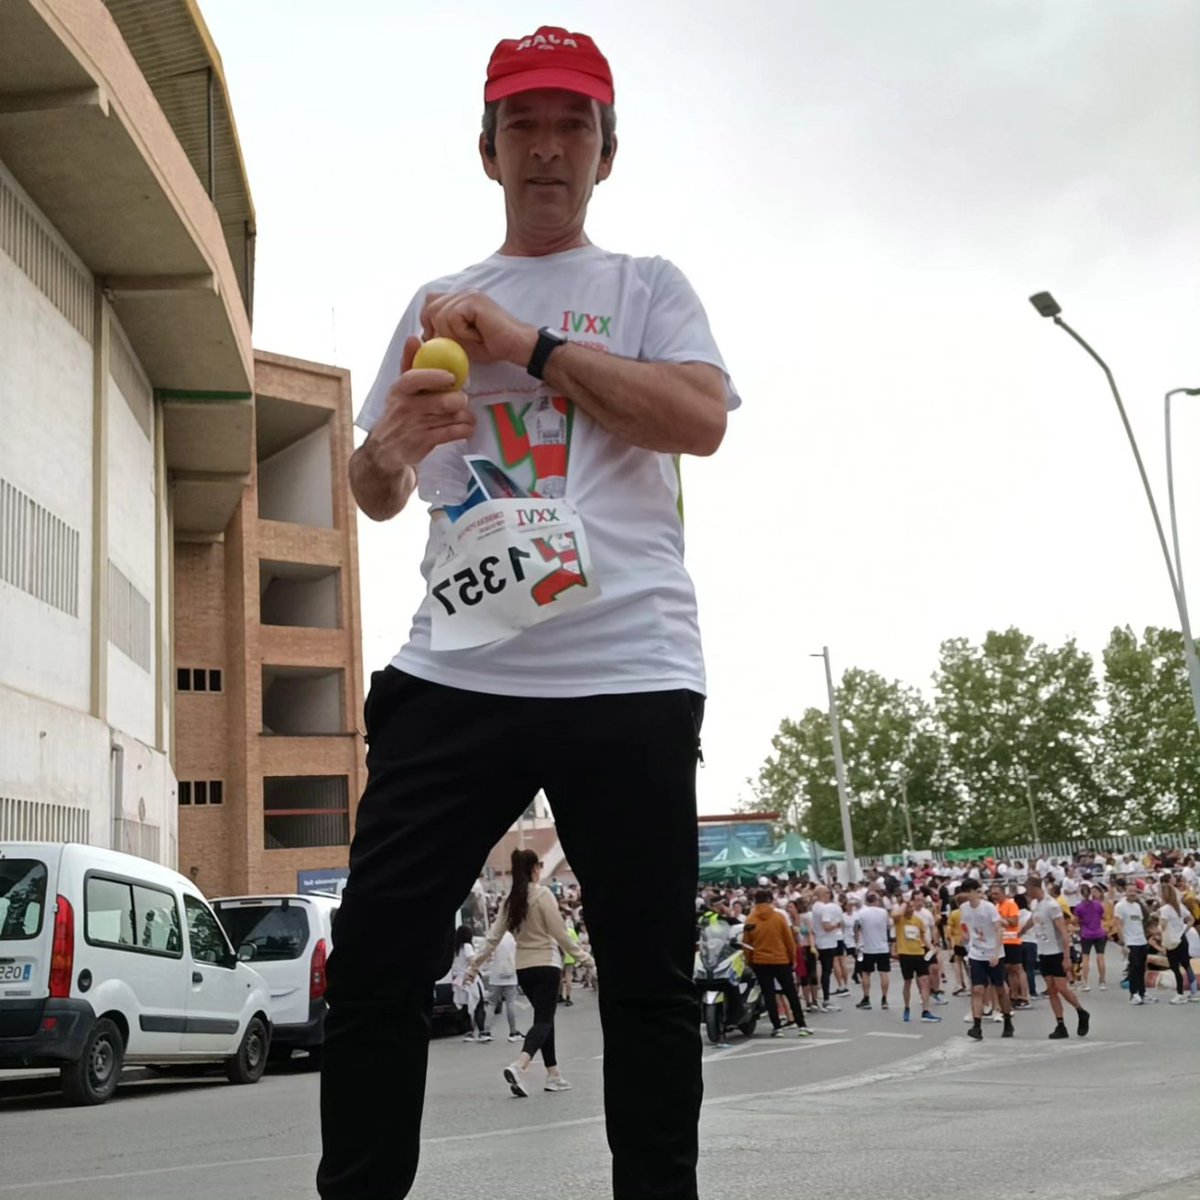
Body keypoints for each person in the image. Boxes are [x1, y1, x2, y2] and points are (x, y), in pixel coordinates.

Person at [317, 25, 735, 1200]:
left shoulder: (646, 288)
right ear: (488, 150)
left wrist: (533, 348)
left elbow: (699, 420)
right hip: (458, 668)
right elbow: (378, 491)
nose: (548, 147)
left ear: (607, 152)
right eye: (523, 125)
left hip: (626, 666)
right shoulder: (437, 304)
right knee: (376, 966)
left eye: (573, 125)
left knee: (651, 983)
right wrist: (389, 455)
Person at [468, 850, 594, 1096]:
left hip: (523, 969)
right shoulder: (543, 894)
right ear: (535, 868)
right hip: (547, 963)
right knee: (544, 1020)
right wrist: (587, 960)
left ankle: (553, 1074)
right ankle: (520, 1065)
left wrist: (474, 967)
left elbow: (492, 938)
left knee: (543, 1020)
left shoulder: (510, 900)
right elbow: (560, 934)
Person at [1025, 876, 1090, 1039]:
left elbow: (1063, 932)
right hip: (1043, 951)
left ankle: (1081, 1011)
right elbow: (1033, 920)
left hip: (1056, 951)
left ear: (1034, 888)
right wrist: (1019, 932)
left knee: (1062, 987)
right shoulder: (1035, 905)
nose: (1027, 892)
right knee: (1051, 990)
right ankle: (1060, 1024)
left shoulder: (1051, 905)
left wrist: (1066, 957)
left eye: (1028, 889)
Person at [741, 890, 812, 1038]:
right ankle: (802, 1025)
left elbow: (746, 944)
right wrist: (793, 959)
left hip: (760, 961)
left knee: (769, 995)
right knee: (791, 993)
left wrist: (750, 961)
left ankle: (777, 1027)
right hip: (781, 960)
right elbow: (789, 940)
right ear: (770, 900)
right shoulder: (779, 917)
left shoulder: (750, 920)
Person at [959, 880, 1014, 1040]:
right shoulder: (964, 908)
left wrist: (996, 952)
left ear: (977, 892)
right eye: (966, 892)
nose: (969, 895)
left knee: (1000, 989)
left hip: (993, 952)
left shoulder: (988, 907)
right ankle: (977, 1026)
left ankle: (1007, 1019)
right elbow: (964, 927)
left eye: (971, 891)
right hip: (976, 952)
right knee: (977, 989)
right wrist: (965, 938)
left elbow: (998, 929)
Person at [891, 897, 941, 1024]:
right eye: (909, 907)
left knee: (924, 981)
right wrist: (904, 904)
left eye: (912, 907)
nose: (911, 909)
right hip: (905, 954)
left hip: (919, 953)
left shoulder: (918, 921)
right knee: (908, 981)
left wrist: (932, 948)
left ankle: (925, 1011)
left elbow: (924, 938)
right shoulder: (899, 920)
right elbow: (895, 914)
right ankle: (907, 1007)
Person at [1113, 883, 1153, 1005]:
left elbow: (1139, 923)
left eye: (1135, 891)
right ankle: (1133, 994)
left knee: (1142, 968)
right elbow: (1118, 925)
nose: (1133, 894)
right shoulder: (1120, 906)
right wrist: (1123, 943)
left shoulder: (1137, 906)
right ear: (1126, 891)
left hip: (1141, 940)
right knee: (1134, 968)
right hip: (1130, 941)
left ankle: (1142, 992)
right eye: (1130, 891)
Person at [482, 929, 524, 1043]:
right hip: (510, 974)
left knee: (491, 1003)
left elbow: (487, 954)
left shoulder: (493, 936)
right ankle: (513, 1032)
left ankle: (486, 1032)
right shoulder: (512, 937)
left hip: (495, 975)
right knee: (510, 1003)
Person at [1157, 881, 1195, 1004]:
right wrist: (1183, 931)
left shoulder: (1164, 909)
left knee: (1175, 967)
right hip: (1182, 939)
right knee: (1186, 965)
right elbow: (1191, 920)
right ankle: (1194, 992)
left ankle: (1180, 994)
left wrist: (1158, 918)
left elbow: (1162, 927)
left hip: (1171, 941)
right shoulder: (1179, 906)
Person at [854, 892, 893, 1010]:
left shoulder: (861, 913)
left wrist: (857, 943)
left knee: (866, 973)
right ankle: (884, 998)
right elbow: (889, 926)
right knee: (884, 973)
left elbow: (857, 928)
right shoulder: (883, 912)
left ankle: (866, 998)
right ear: (877, 901)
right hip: (882, 946)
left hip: (868, 947)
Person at [451, 925, 489, 1042]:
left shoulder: (456, 949)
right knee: (479, 1004)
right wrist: (478, 971)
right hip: (470, 979)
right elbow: (473, 962)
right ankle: (482, 1032)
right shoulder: (467, 946)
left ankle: (469, 1032)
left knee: (464, 1006)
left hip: (459, 981)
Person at [811, 886, 846, 1012]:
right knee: (827, 970)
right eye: (827, 892)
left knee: (825, 970)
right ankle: (826, 999)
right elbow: (826, 926)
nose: (828, 894)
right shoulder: (823, 907)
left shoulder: (816, 906)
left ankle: (820, 999)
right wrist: (837, 924)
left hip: (822, 941)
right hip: (827, 942)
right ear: (822, 894)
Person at [1075, 883, 1108, 991]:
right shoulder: (1098, 905)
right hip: (1099, 933)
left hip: (1086, 934)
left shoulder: (1079, 907)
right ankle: (1102, 982)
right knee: (1100, 957)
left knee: (1085, 958)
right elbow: (1103, 916)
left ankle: (1085, 982)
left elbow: (1076, 920)